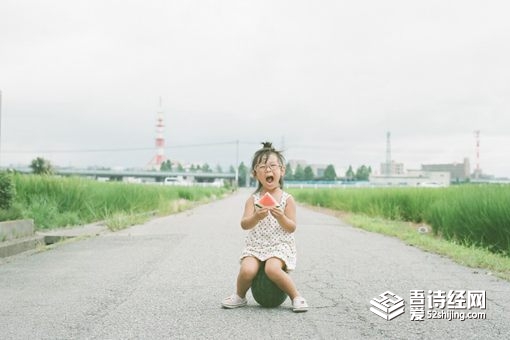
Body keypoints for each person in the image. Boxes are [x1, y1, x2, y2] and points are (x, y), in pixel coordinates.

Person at [221, 142, 308, 312]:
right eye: (262, 166)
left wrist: (281, 217)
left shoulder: (287, 199)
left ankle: (296, 296)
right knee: (247, 270)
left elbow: (291, 227)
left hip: (279, 244)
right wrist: (256, 216)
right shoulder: (253, 200)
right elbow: (244, 224)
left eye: (273, 166)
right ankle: (240, 296)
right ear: (255, 173)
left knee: (272, 269)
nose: (268, 170)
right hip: (256, 244)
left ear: (282, 171)